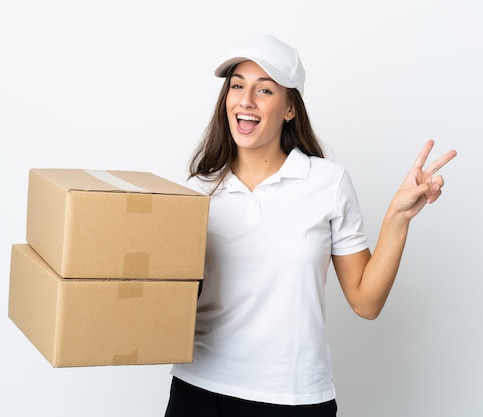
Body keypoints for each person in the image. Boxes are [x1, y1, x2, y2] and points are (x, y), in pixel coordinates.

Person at [164, 34, 457, 417]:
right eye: (237, 86)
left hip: (295, 398)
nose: (245, 100)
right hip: (200, 390)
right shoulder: (198, 190)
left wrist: (397, 217)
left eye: (264, 90)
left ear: (290, 109)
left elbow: (366, 302)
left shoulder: (327, 182)